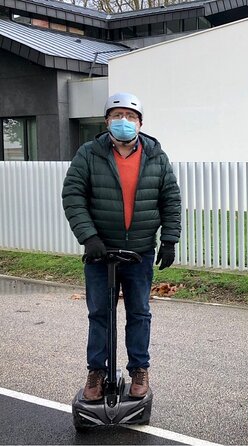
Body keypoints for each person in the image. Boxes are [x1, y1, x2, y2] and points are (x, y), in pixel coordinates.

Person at [62, 92, 181, 401]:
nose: (124, 122)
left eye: (130, 117)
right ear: (107, 122)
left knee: (139, 312)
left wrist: (169, 239)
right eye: (117, 116)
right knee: (100, 313)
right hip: (100, 251)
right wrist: (89, 237)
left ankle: (139, 369)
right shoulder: (89, 154)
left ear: (140, 123)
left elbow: (170, 199)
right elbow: (73, 196)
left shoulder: (156, 156)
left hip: (139, 251)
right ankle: (96, 372)